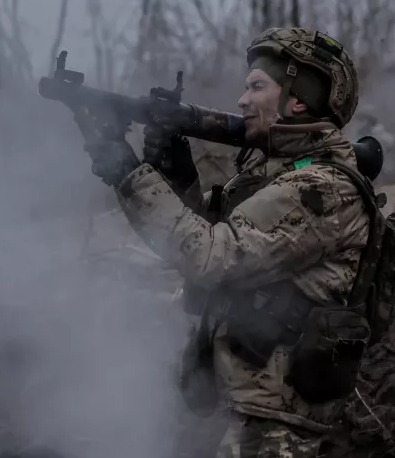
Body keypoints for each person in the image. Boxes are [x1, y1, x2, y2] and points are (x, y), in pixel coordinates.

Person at [81, 27, 376, 457]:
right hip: (249, 412)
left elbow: (210, 257)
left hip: (279, 429)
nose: (241, 101)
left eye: (257, 86)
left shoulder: (322, 189)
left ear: (299, 99)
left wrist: (130, 173)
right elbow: (206, 240)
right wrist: (177, 175)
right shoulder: (278, 176)